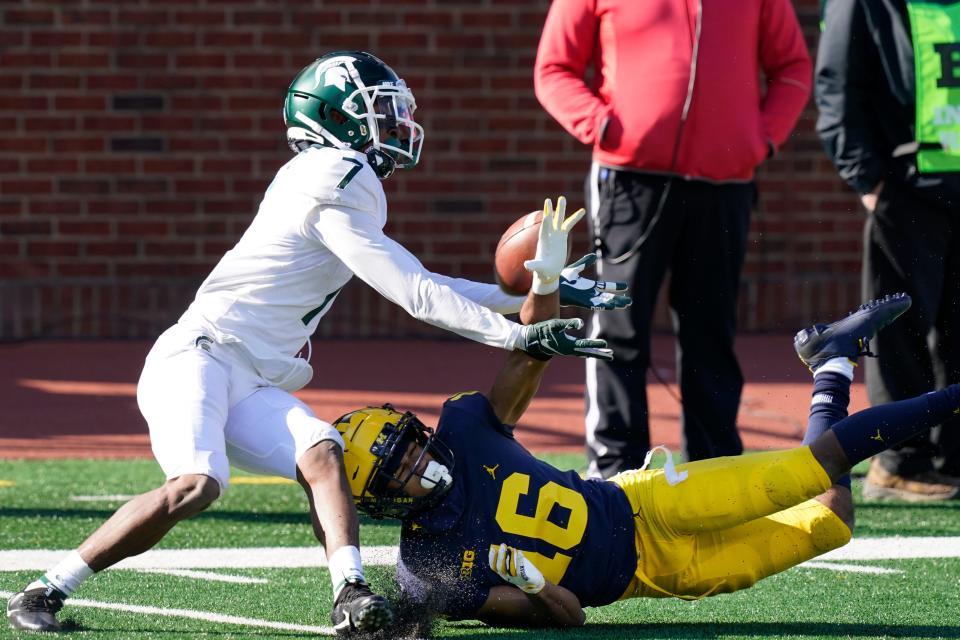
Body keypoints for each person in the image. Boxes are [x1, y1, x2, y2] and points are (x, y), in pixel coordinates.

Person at [5, 51, 624, 635]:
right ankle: (46, 589)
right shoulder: (332, 175)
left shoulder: (338, 182)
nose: (399, 123)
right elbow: (412, 294)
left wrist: (544, 294)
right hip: (199, 355)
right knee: (198, 484)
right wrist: (518, 331)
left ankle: (351, 595)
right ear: (337, 118)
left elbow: (424, 282)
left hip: (251, 375)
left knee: (323, 451)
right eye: (381, 111)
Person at [332, 286, 952, 631]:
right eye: (399, 472)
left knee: (804, 470)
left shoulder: (465, 428)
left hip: (645, 497)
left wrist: (544, 285)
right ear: (384, 500)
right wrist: (532, 581)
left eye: (409, 445)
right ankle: (834, 360)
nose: (417, 463)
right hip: (647, 575)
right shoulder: (430, 566)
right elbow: (568, 619)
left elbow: (528, 357)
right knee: (830, 521)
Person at [533, 0, 813, 479]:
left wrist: (760, 138)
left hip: (725, 184)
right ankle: (616, 471)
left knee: (711, 332)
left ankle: (715, 469)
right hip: (628, 183)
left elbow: (792, 69)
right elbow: (554, 69)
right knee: (617, 328)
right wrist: (605, 126)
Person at [815, 0, 960, 500]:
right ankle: (899, 461)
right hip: (904, 184)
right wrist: (866, 176)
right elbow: (836, 81)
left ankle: (952, 458)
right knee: (901, 328)